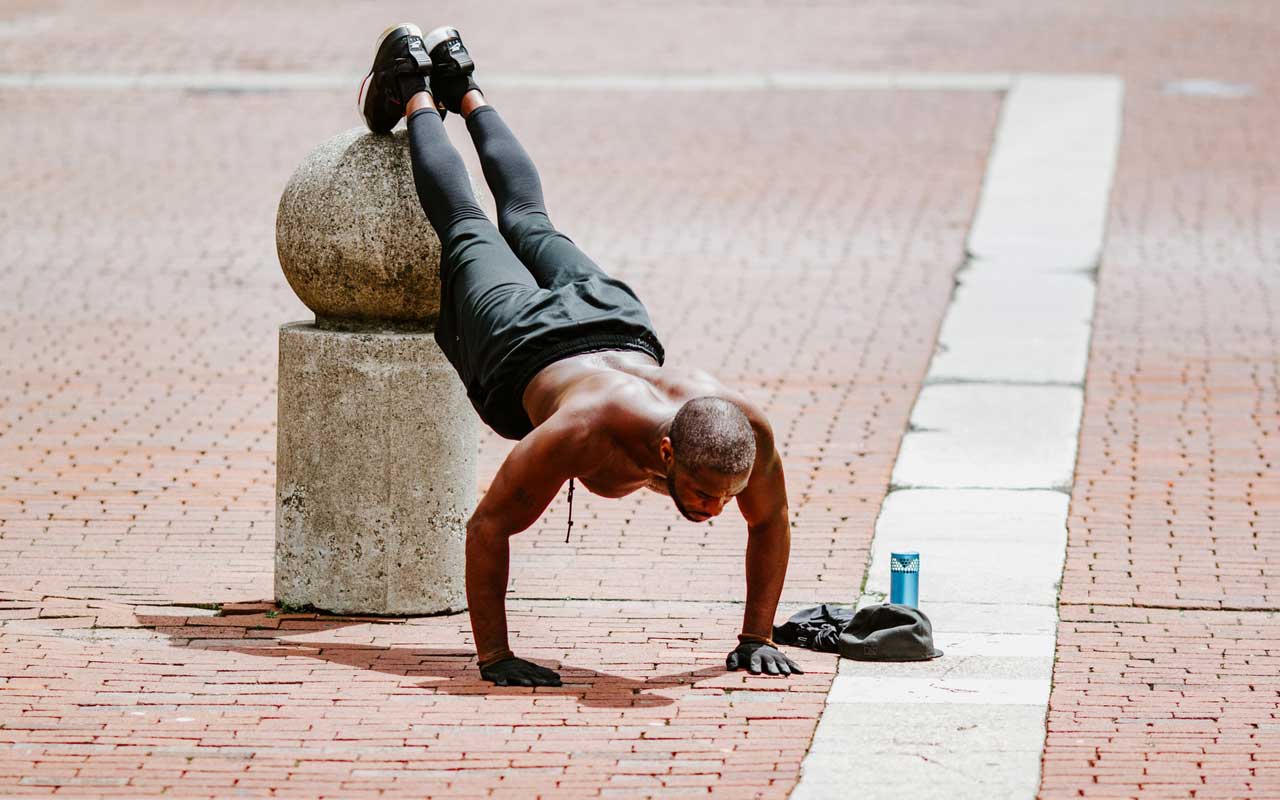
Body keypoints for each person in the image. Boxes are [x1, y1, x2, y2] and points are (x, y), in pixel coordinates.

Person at [359, 24, 803, 686]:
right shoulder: (579, 432)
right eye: (707, 496)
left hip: (614, 321)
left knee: (531, 223)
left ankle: (466, 83)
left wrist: (755, 636)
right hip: (522, 339)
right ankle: (417, 85)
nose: (715, 511)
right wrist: (494, 656)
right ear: (665, 453)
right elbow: (487, 529)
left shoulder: (744, 431)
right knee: (468, 225)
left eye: (723, 497)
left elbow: (770, 520)